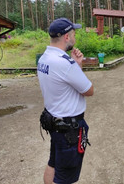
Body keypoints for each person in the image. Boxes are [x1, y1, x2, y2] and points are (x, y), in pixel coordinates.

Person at [37, 18, 94, 184]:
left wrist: (77, 66)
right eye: (74, 33)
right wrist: (76, 66)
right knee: (65, 178)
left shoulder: (44, 58)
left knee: (53, 163)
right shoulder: (65, 63)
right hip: (70, 128)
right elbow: (88, 90)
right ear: (67, 37)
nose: (75, 37)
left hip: (55, 123)